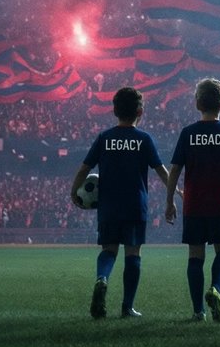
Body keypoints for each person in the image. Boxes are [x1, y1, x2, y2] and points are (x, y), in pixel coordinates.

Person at [69, 86, 169, 319]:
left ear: (114, 111)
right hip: (135, 204)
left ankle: (102, 279)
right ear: (140, 112)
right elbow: (161, 170)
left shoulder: (104, 138)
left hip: (108, 205)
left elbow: (85, 167)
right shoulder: (143, 139)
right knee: (133, 253)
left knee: (109, 250)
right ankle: (127, 307)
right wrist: (176, 192)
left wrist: (74, 191)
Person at [162, 79, 220, 322]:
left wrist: (170, 199)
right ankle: (215, 289)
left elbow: (174, 170)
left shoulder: (188, 133)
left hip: (193, 204)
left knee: (195, 255)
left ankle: (197, 311)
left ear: (196, 104)